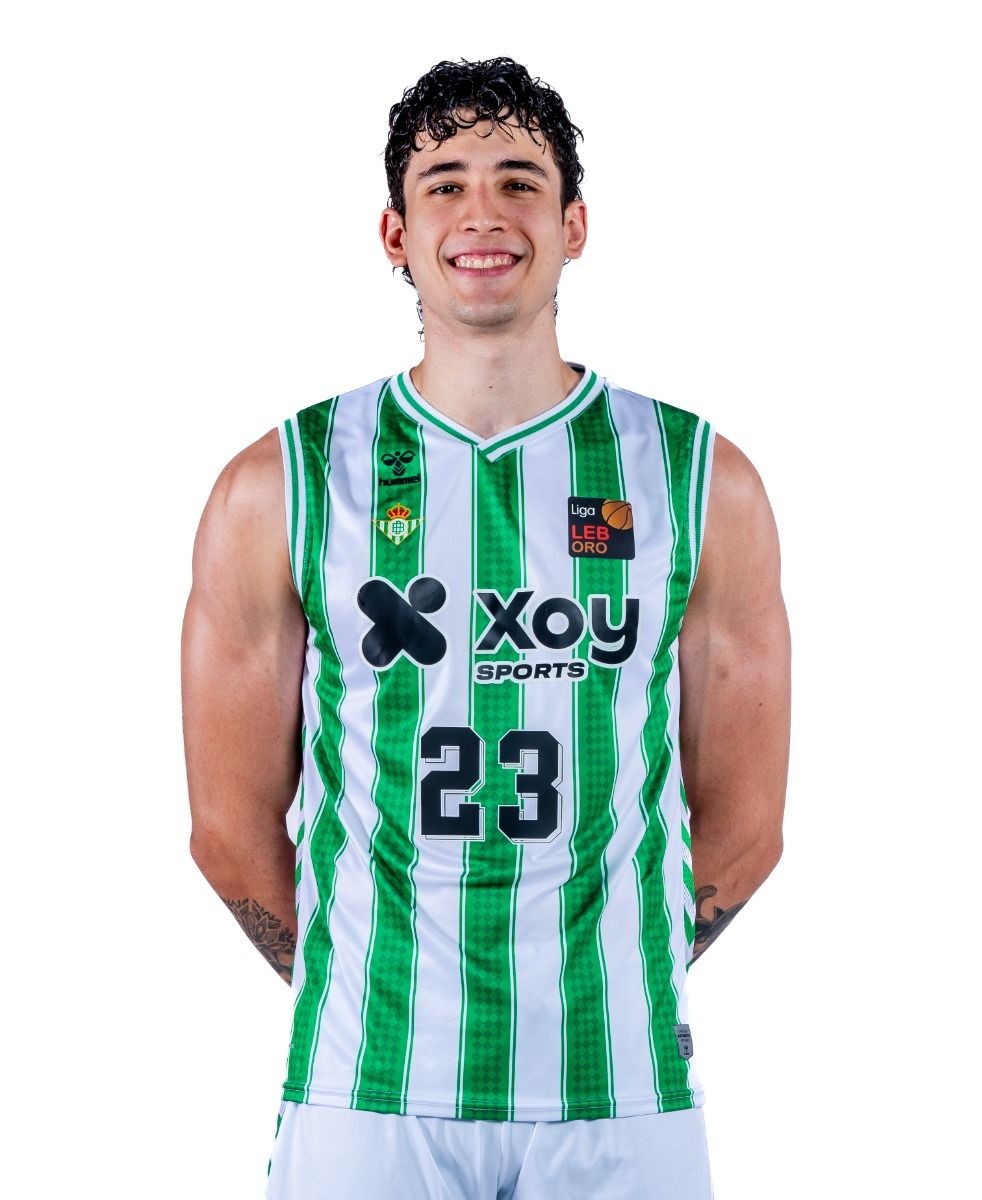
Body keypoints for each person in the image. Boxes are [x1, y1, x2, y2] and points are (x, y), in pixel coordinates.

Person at [182, 55, 791, 1200]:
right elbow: (227, 827)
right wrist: (372, 996)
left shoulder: (700, 480)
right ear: (395, 233)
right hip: (368, 1096)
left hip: (619, 1095)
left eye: (518, 182)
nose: (482, 213)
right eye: (445, 184)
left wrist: (612, 984)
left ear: (573, 225)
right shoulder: (281, 485)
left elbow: (748, 824)